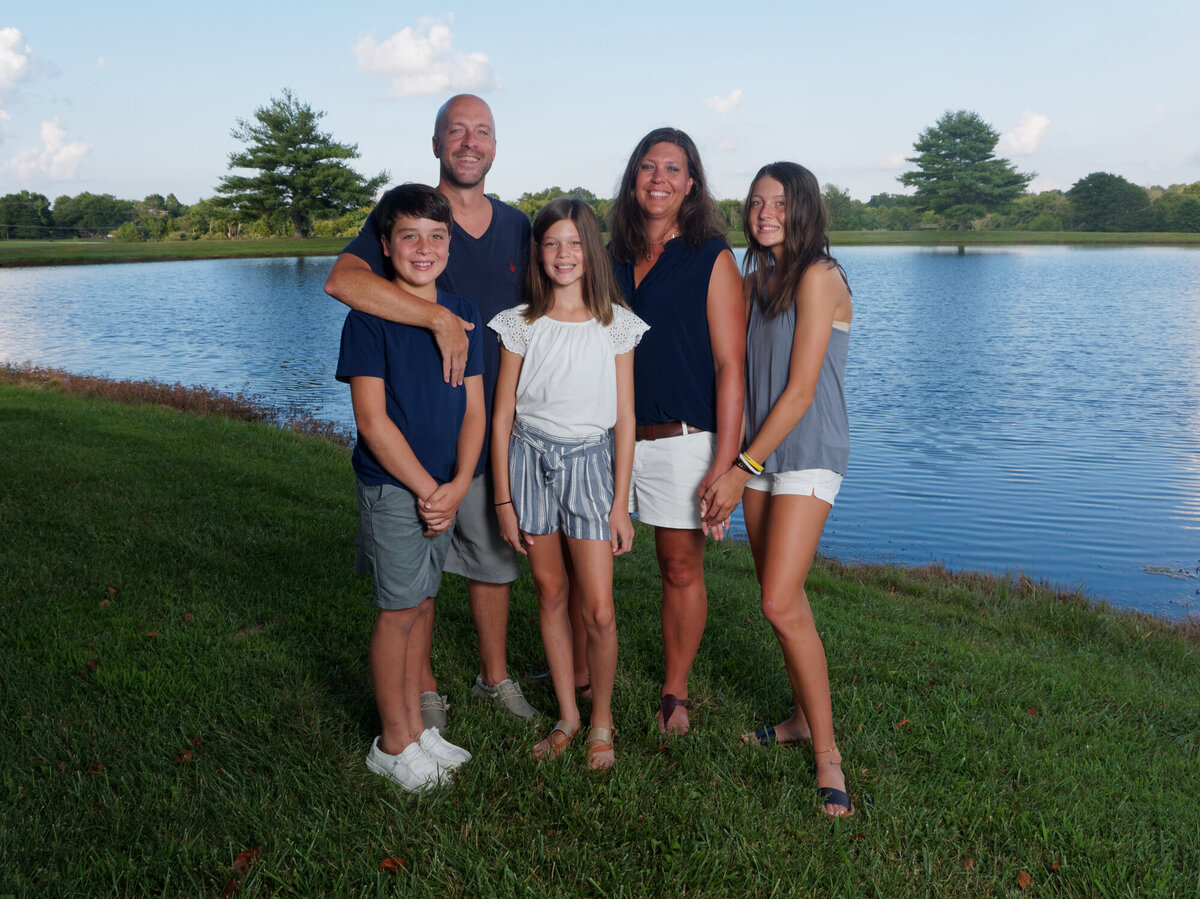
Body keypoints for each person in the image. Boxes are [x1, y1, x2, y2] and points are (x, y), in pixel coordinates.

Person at [325, 94, 539, 725]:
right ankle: (419, 693)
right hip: (415, 439)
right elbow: (345, 282)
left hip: (490, 423)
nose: (470, 142)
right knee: (418, 572)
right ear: (437, 142)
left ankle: (493, 677)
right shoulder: (407, 211)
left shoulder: (518, 226)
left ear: (496, 145)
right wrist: (439, 318)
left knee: (492, 560)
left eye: (483, 132)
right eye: (457, 131)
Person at [702, 162, 855, 818]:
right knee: (781, 602)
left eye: (779, 202)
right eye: (757, 201)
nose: (765, 212)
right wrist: (727, 466)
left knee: (777, 600)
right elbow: (735, 372)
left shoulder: (821, 277)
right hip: (758, 458)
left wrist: (739, 468)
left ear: (804, 209)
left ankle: (828, 755)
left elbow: (798, 392)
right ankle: (796, 717)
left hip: (808, 452)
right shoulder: (752, 278)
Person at [335, 184, 483, 792]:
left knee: (423, 602)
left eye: (436, 236)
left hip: (443, 488)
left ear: (450, 243)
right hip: (398, 489)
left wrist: (458, 483)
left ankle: (419, 729)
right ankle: (391, 742)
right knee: (397, 611)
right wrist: (429, 489)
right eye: (409, 236)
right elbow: (372, 422)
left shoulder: (461, 310)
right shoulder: (368, 318)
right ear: (386, 246)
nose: (424, 248)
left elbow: (476, 409)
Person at [490, 199, 647, 770]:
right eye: (552, 243)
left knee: (599, 610)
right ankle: (568, 716)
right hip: (528, 463)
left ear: (592, 251)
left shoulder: (617, 325)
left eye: (575, 243)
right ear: (539, 252)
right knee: (551, 594)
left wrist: (621, 503)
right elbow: (502, 412)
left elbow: (626, 418)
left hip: (590, 467)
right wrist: (503, 499)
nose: (563, 255)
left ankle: (601, 721)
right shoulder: (521, 324)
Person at [607, 127, 745, 735]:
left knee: (679, 567)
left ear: (691, 184)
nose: (658, 178)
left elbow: (730, 366)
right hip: (607, 437)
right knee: (586, 559)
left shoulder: (710, 255)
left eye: (672, 169)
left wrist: (727, 461)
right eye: (647, 166)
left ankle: (675, 688)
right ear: (633, 178)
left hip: (682, 438)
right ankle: (586, 675)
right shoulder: (609, 255)